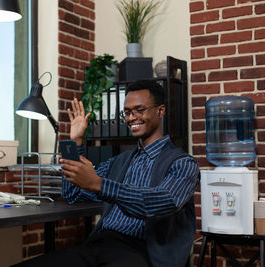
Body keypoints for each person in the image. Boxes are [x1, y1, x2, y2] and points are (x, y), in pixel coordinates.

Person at [13, 80, 200, 267]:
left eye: (139, 110)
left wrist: (100, 184)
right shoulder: (119, 161)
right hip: (100, 244)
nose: (131, 117)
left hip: (144, 253)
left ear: (160, 111)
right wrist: (75, 142)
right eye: (127, 112)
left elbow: (160, 202)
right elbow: (73, 194)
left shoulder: (183, 163)